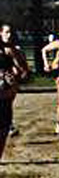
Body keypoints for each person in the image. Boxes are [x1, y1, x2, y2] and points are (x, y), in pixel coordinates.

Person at [0, 24, 29, 160]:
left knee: (4, 129)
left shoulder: (15, 51)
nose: (9, 35)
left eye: (11, 32)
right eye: (6, 32)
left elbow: (24, 73)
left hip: (7, 92)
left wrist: (15, 76)